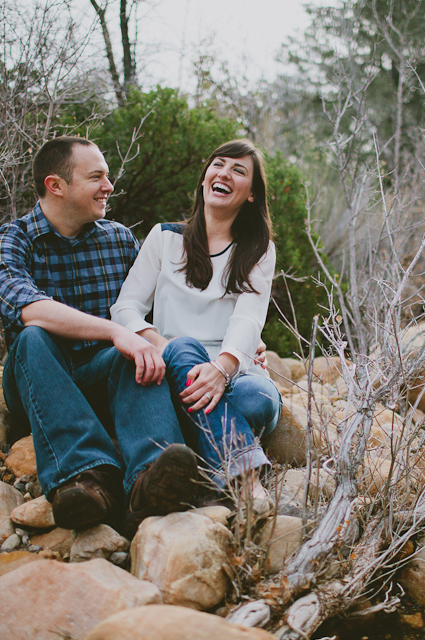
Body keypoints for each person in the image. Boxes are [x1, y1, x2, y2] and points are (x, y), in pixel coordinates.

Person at [0, 136, 200, 534]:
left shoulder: (118, 240)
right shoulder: (9, 241)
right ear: (56, 186)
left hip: (105, 376)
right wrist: (117, 331)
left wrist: (231, 343)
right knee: (34, 336)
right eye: (96, 176)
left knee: (137, 353)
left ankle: (148, 482)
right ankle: (88, 481)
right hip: (41, 379)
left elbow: (168, 305)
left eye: (108, 176)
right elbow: (29, 308)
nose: (109, 186)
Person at [110, 139, 282, 513]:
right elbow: (125, 306)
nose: (224, 174)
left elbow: (248, 318)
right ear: (205, 179)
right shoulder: (164, 238)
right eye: (218, 164)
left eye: (239, 170)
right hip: (173, 366)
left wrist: (222, 368)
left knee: (260, 399)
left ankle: (195, 445)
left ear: (251, 194)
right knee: (182, 346)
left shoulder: (258, 249)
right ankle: (244, 479)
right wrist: (157, 340)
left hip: (230, 370)